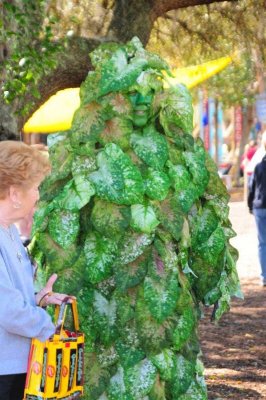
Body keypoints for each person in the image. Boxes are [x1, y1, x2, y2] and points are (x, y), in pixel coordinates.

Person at [0, 140, 72, 400]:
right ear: (16, 193)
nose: (39, 195)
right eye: (35, 187)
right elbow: (8, 312)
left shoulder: (8, 231)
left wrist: (37, 299)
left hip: (15, 366)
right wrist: (50, 329)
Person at [248, 132, 266, 286]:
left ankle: (264, 276)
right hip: (260, 206)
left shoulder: (259, 166)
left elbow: (252, 187)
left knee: (263, 243)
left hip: (260, 207)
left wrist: (250, 205)